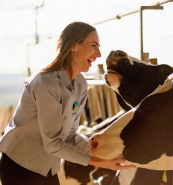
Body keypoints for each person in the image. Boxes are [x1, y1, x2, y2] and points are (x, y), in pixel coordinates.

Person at [0, 21, 135, 185]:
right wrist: (99, 162)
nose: (99, 54)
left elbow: (69, 134)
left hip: (48, 167)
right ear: (74, 45)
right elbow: (53, 143)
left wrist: (96, 148)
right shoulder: (46, 83)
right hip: (19, 166)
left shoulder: (80, 85)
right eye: (94, 45)